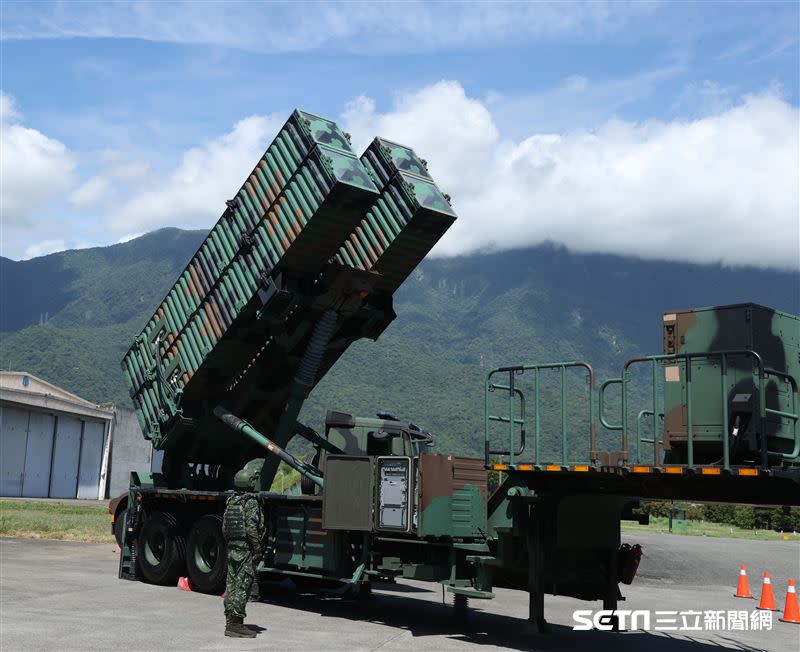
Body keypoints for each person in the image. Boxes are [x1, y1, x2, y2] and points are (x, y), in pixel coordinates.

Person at [222, 458, 266, 638]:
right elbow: (251, 528)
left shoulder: (232, 501)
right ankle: (236, 624)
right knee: (243, 584)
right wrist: (257, 549)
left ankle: (230, 621)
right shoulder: (251, 502)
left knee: (231, 584)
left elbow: (225, 527)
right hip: (245, 549)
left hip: (232, 548)